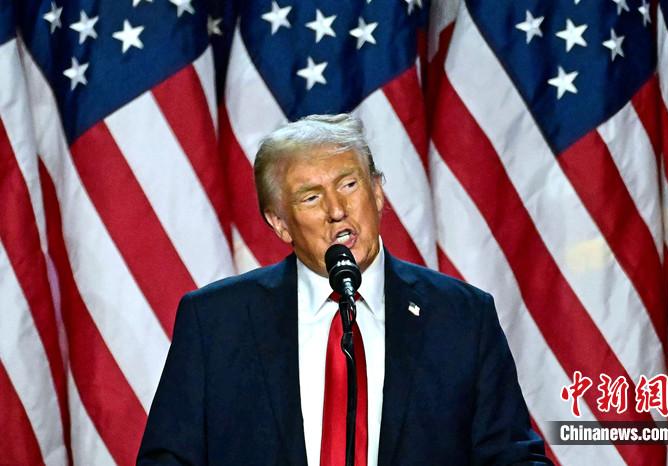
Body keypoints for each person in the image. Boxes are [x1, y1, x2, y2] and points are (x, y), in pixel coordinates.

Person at [138, 114, 551, 465]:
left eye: (349, 185)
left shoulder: (461, 317)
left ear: (377, 192)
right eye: (311, 197)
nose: (336, 210)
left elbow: (512, 457)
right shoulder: (216, 322)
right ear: (280, 224)